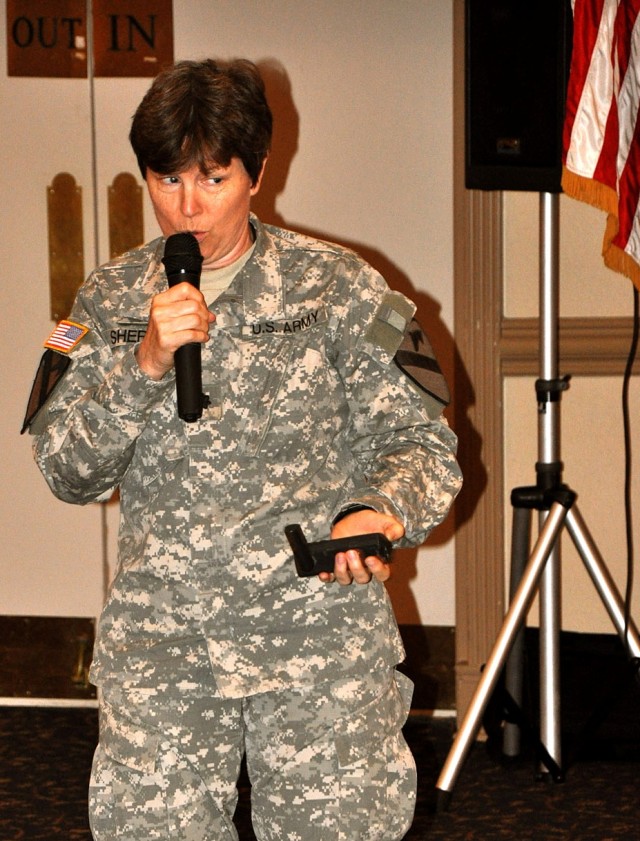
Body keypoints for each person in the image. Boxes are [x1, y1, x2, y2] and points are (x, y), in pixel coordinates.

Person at [24, 58, 462, 840]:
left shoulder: (341, 289)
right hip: (167, 647)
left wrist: (381, 510)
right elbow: (66, 468)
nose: (186, 208)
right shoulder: (107, 300)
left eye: (212, 179)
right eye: (166, 180)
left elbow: (422, 441)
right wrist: (145, 368)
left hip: (316, 640)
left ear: (257, 173)